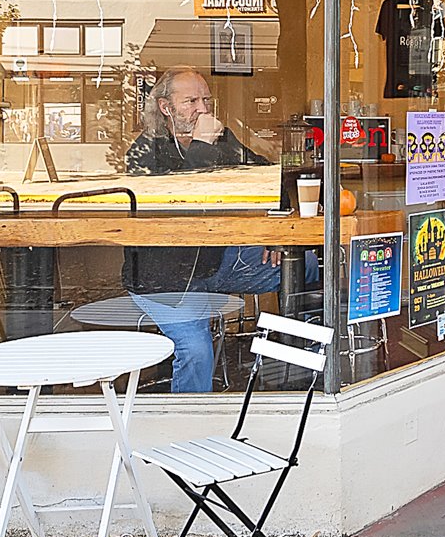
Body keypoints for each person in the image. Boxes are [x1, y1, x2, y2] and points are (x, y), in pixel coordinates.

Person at [123, 66, 318, 393]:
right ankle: (192, 423)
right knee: (196, 350)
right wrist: (201, 145)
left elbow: (267, 175)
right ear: (166, 107)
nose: (202, 109)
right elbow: (177, 203)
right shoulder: (144, 152)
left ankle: (300, 368)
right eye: (191, 101)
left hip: (217, 262)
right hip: (164, 279)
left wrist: (276, 230)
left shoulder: (221, 140)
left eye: (206, 100)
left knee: (305, 264)